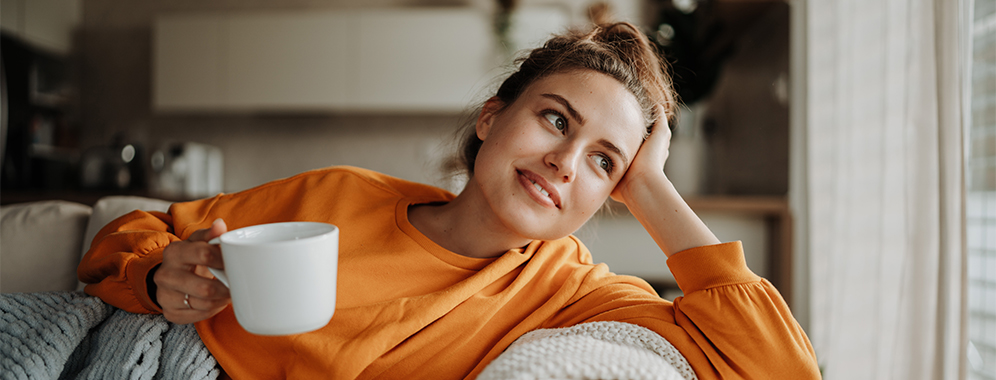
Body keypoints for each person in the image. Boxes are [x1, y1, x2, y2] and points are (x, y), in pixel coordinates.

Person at [79, 21, 820, 379]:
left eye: (603, 162)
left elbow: (781, 369)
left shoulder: (567, 290)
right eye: (555, 120)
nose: (564, 162)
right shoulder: (337, 194)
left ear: (614, 192)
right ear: (494, 118)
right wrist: (155, 274)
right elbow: (133, 231)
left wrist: (653, 186)